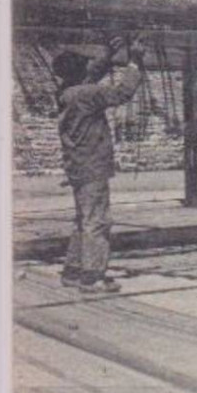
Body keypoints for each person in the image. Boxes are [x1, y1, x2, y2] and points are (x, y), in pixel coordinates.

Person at [52, 37, 146, 292]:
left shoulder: (67, 92)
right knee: (98, 221)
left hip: (78, 166)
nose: (89, 67)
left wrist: (111, 52)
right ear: (79, 72)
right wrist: (135, 61)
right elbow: (122, 93)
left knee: (83, 219)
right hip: (92, 166)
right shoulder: (87, 94)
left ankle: (73, 271)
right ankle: (92, 277)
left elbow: (90, 75)